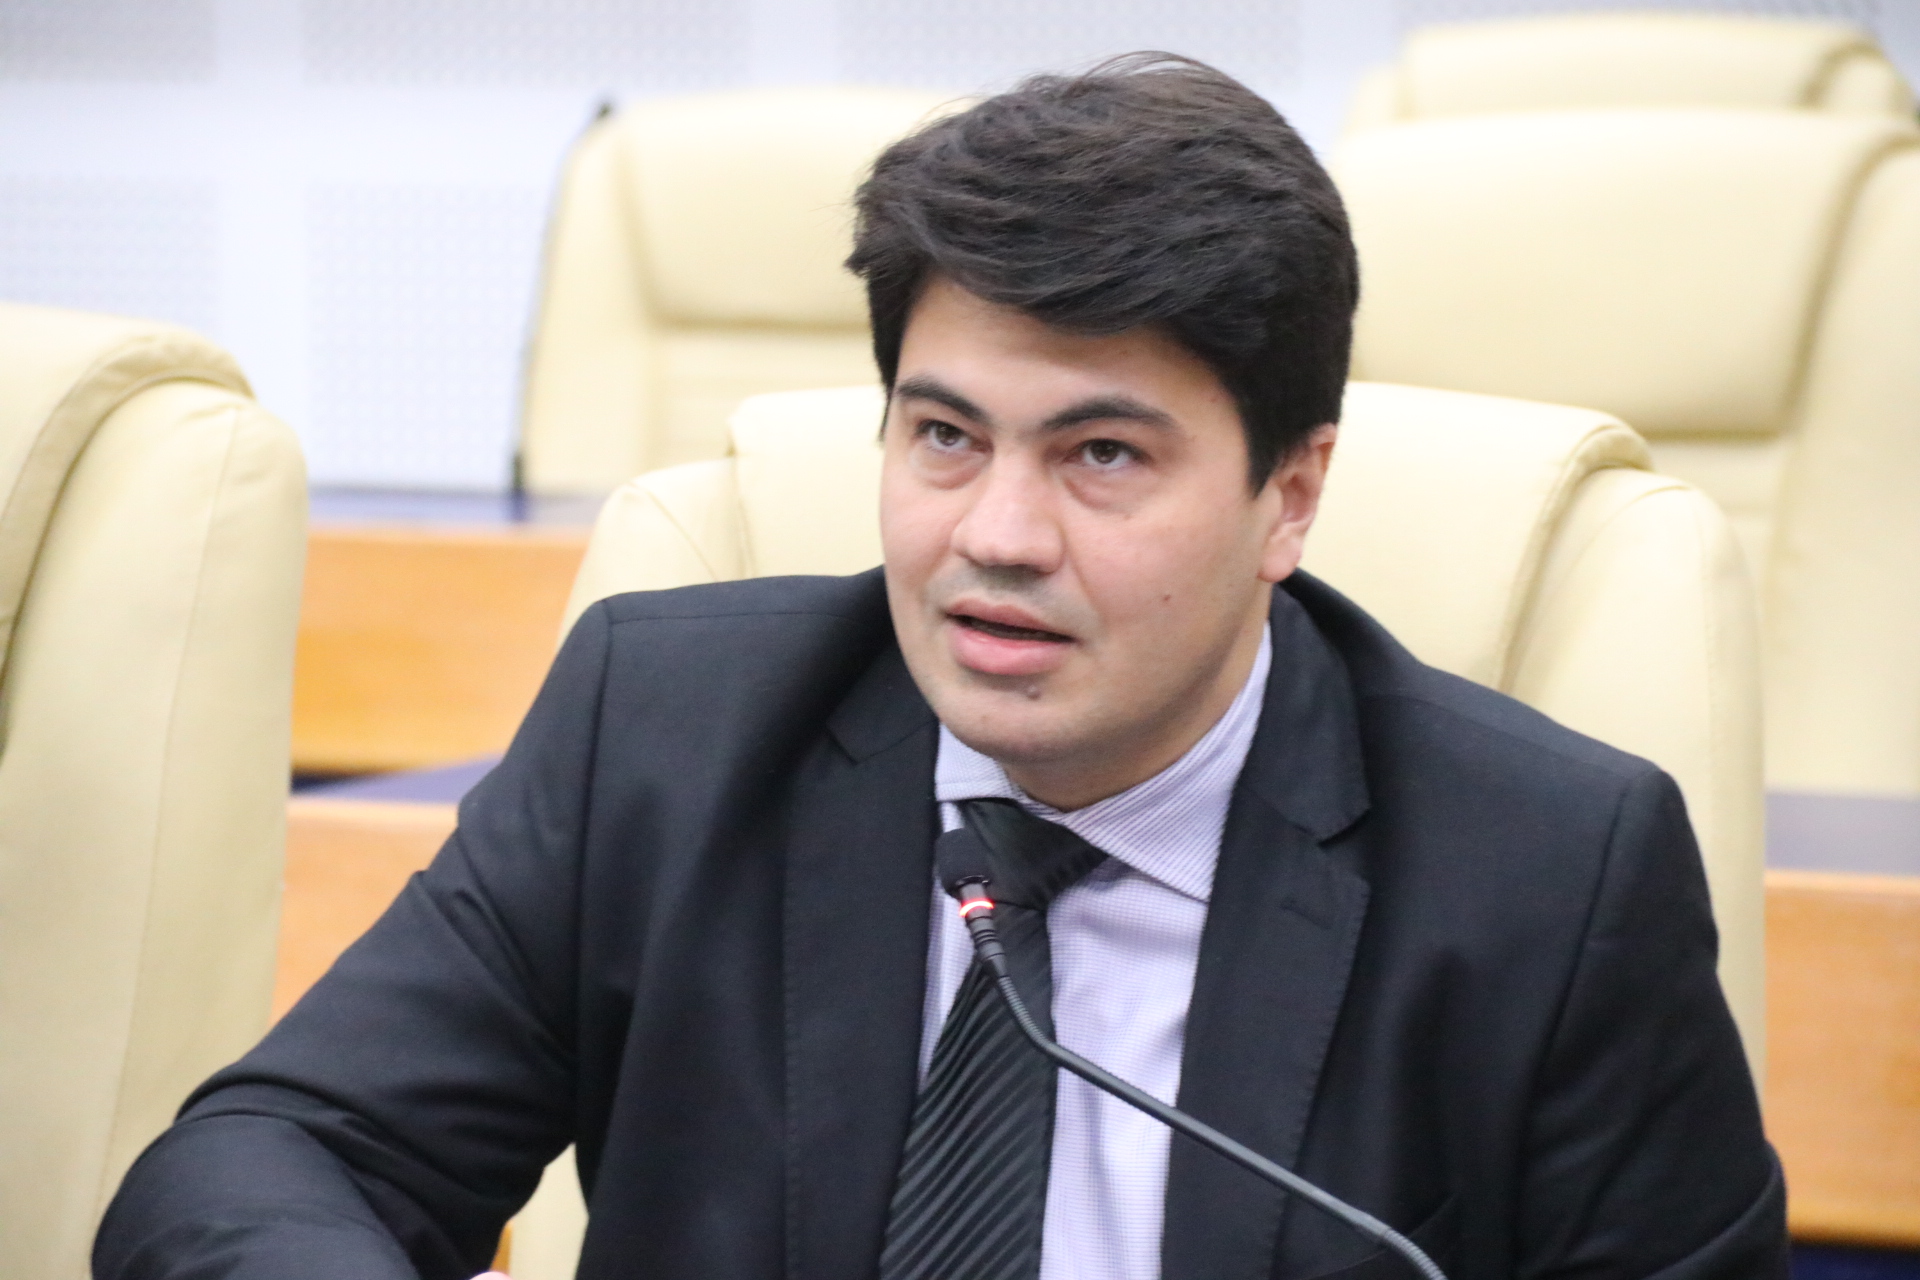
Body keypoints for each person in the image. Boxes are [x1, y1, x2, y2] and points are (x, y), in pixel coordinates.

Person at [96, 54, 1784, 1280]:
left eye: (1103, 455)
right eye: (945, 436)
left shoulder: (1548, 878)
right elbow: (263, 1161)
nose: (997, 534)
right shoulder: (665, 737)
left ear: (1289, 495)